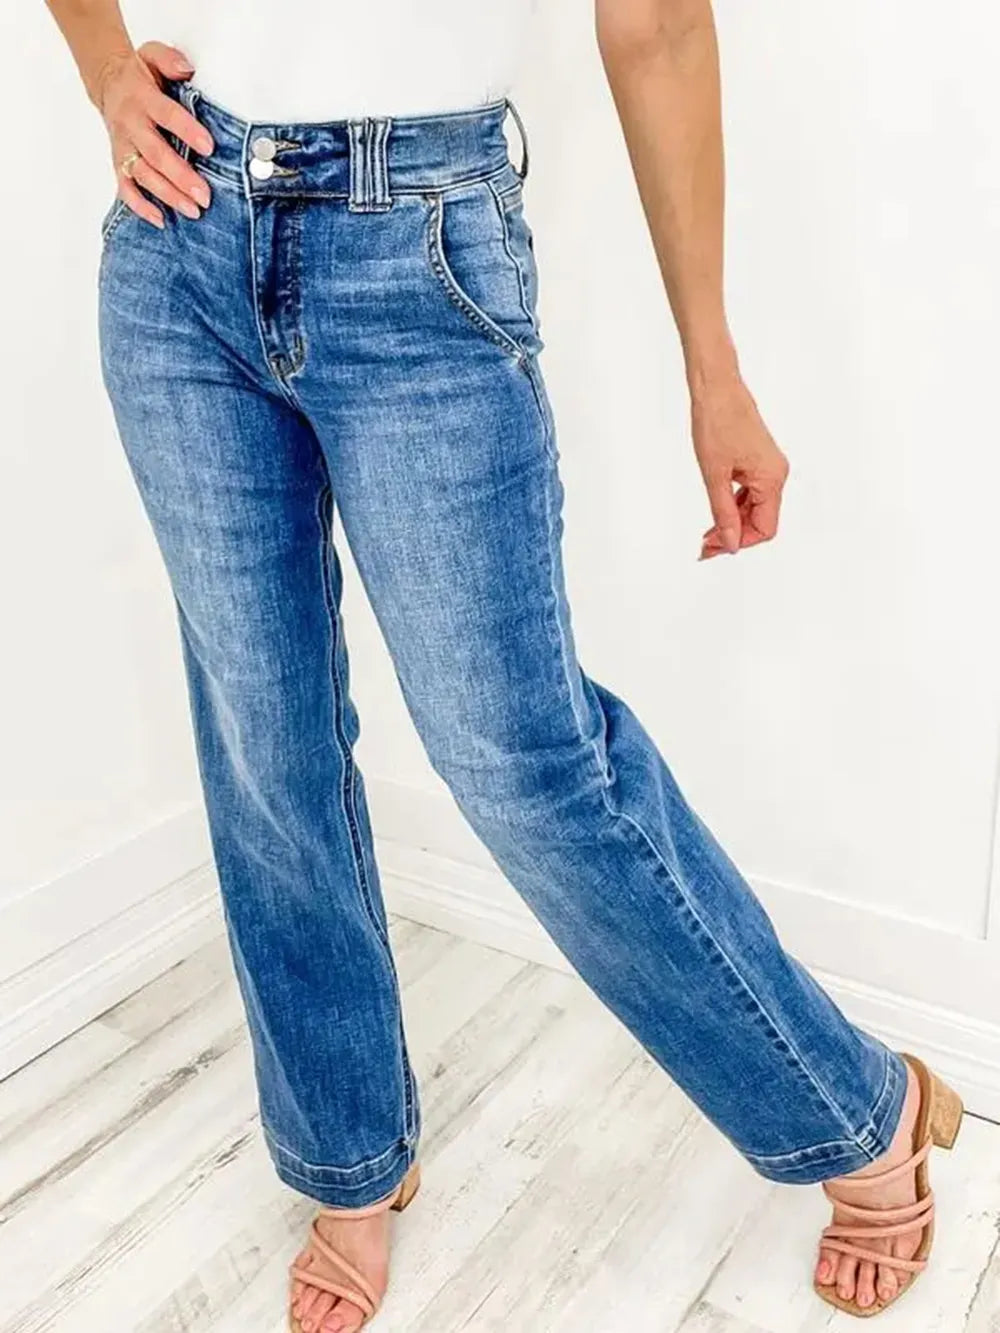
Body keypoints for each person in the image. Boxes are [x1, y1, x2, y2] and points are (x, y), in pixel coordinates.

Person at [47, 0, 963, 1327]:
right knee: (265, 737)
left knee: (524, 762)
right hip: (178, 237)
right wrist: (101, 72)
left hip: (422, 247)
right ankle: (351, 1158)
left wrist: (714, 368)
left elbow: (652, 25)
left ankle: (860, 1111)